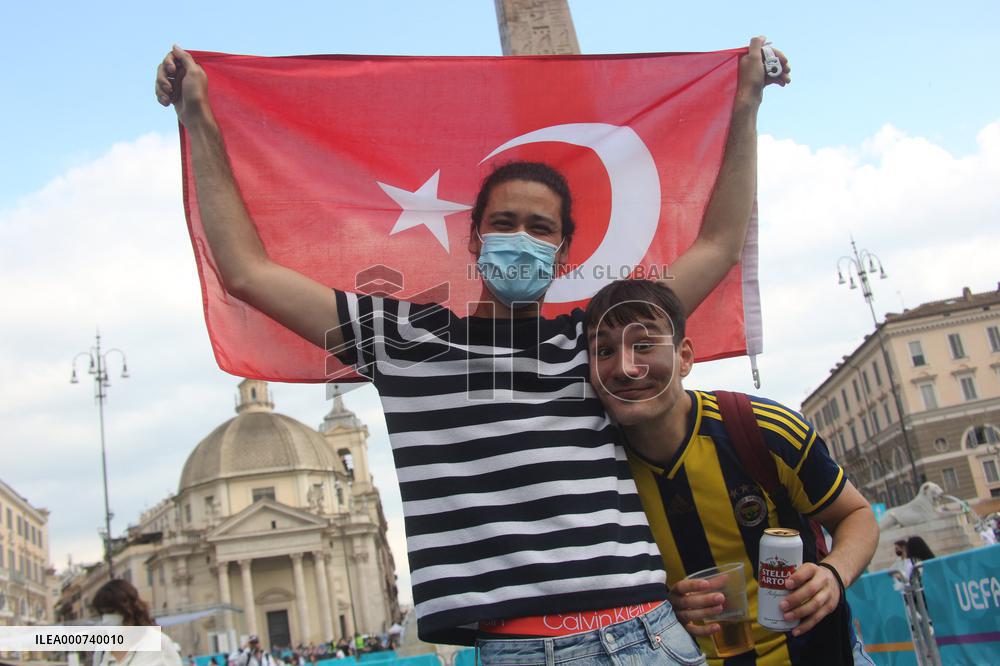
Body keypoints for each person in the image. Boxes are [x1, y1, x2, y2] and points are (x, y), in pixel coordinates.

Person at [155, 37, 789, 663]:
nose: (520, 238)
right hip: (513, 649)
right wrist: (199, 119)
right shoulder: (404, 341)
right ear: (474, 240)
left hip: (643, 635)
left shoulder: (596, 342)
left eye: (540, 227)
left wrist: (745, 105)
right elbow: (245, 270)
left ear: (563, 252)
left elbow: (718, 247)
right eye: (503, 223)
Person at [584, 279, 879, 665]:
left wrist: (833, 575)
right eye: (603, 350)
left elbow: (856, 515)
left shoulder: (763, 429)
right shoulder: (595, 469)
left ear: (684, 356)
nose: (624, 367)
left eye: (643, 345)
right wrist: (666, 606)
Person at [91, 579, 183, 666]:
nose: (106, 619)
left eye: (112, 611)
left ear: (129, 610)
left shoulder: (158, 642)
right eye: (102, 613)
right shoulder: (101, 651)